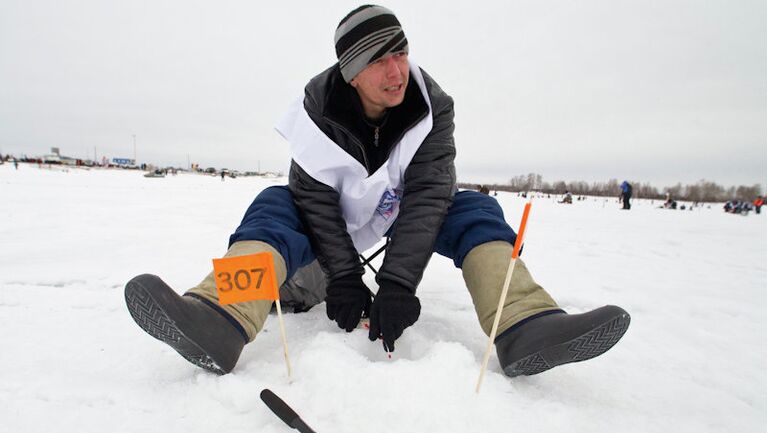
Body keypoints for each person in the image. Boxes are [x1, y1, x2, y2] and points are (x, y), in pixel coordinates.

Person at [124, 5, 630, 377]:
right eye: (379, 60)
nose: (397, 71)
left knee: (474, 207)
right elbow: (315, 204)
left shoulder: (433, 108)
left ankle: (523, 322)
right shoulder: (314, 117)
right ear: (350, 72)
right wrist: (344, 278)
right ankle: (219, 317)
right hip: (325, 237)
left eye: (402, 53)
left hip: (402, 214)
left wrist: (396, 284)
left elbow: (431, 193)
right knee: (273, 207)